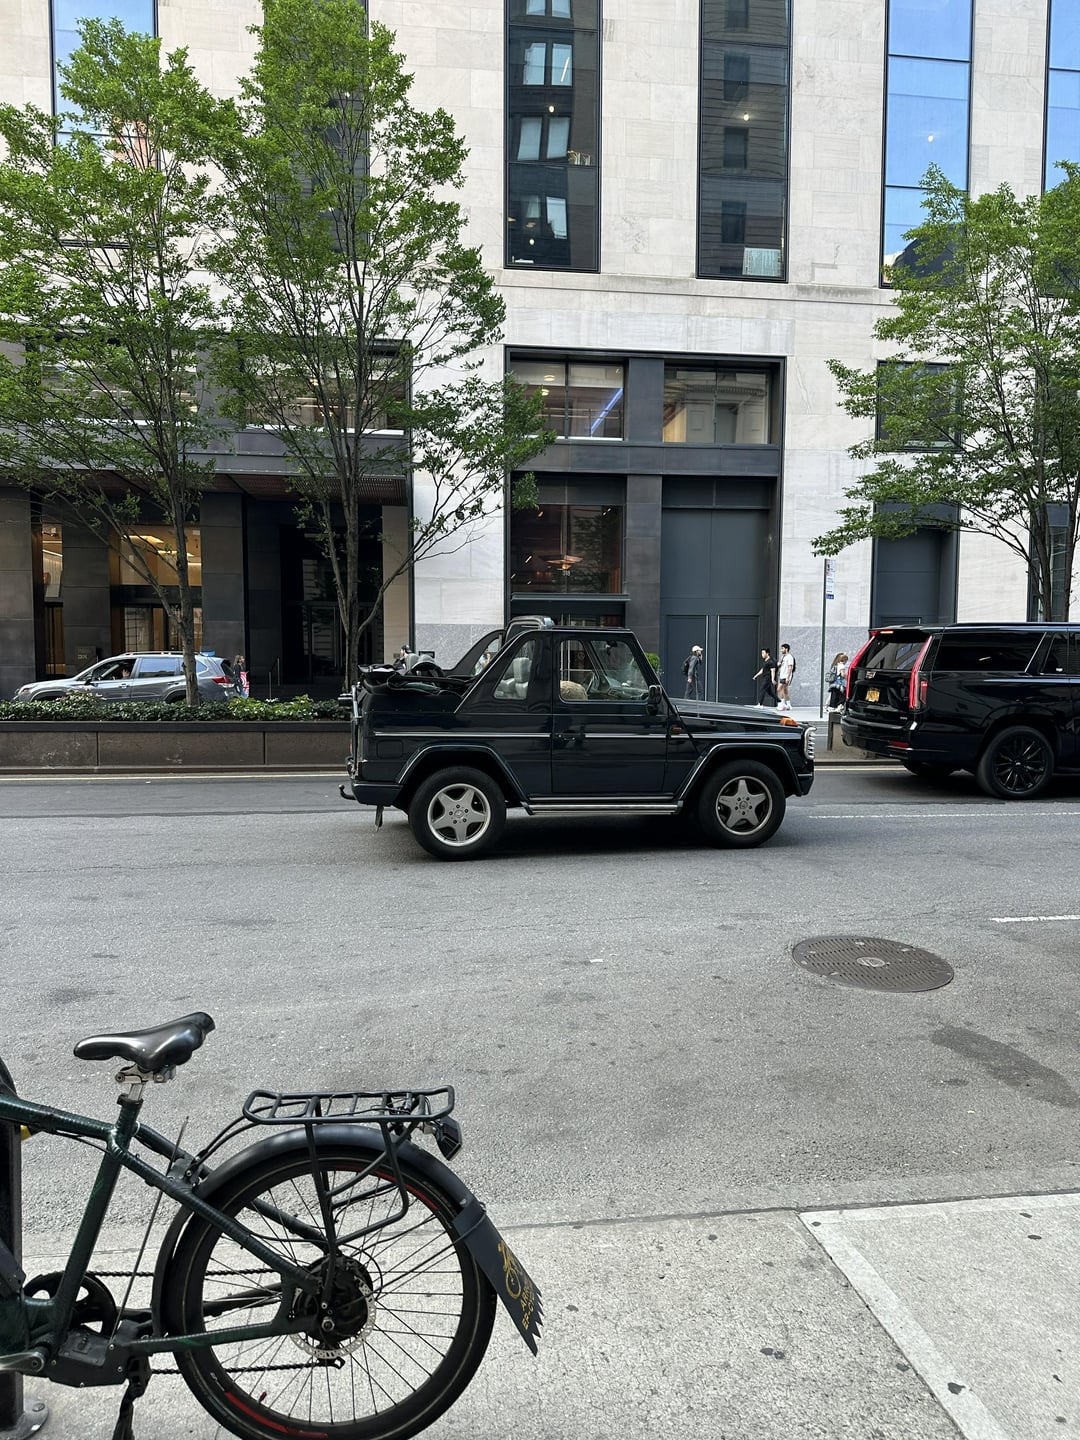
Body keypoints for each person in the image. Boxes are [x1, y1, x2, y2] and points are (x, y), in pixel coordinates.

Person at [776, 643, 796, 712]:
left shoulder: (790, 657)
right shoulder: (783, 657)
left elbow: (790, 667)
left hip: (785, 676)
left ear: (786, 649)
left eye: (782, 648)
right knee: (785, 690)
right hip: (782, 675)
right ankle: (789, 705)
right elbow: (780, 664)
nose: (781, 650)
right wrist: (779, 664)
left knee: (779, 689)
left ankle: (782, 704)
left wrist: (787, 677)